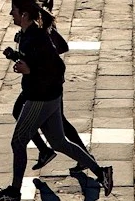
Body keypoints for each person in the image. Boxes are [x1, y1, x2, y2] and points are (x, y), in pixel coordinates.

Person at [0, 0, 113, 201]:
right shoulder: (27, 36)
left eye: (13, 10)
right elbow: (35, 61)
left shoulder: (36, 37)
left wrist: (30, 70)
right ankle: (101, 173)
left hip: (40, 98)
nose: (10, 14)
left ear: (23, 14)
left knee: (18, 141)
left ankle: (14, 191)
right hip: (49, 96)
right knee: (59, 142)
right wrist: (16, 58)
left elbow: (57, 68)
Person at [15, 0, 89, 172]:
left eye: (14, 10)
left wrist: (42, 56)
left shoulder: (42, 28)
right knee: (57, 124)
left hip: (47, 83)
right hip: (38, 84)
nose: (12, 14)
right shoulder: (32, 28)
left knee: (58, 126)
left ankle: (49, 152)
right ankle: (49, 151)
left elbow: (62, 47)